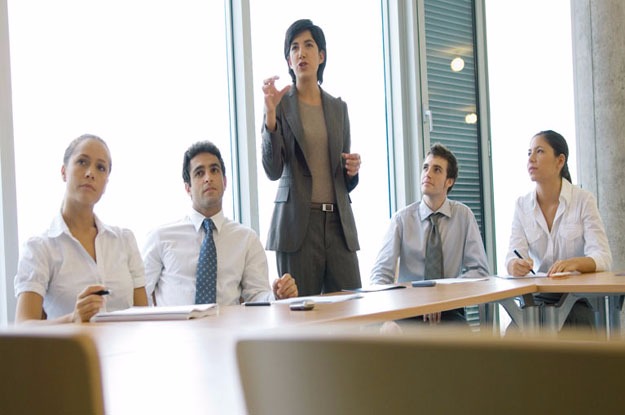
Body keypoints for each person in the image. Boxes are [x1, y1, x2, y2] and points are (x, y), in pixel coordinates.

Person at [261, 18, 362, 296]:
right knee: (299, 316)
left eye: (308, 45)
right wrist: (270, 117)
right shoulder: (279, 104)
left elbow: (344, 179)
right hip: (296, 227)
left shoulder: (338, 108)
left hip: (339, 226)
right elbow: (272, 169)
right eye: (294, 48)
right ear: (289, 60)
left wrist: (352, 170)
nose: (301, 53)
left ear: (321, 56)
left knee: (351, 311)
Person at [143, 141, 298, 306]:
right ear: (187, 188)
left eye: (214, 170)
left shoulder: (246, 239)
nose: (208, 178)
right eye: (199, 173)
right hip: (176, 329)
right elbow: (139, 293)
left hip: (230, 329)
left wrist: (277, 297)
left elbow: (257, 296)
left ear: (224, 182)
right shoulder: (160, 237)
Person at [14, 134, 148, 324]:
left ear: (106, 183)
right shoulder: (40, 247)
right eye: (82, 162)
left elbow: (146, 317)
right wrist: (73, 318)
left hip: (128, 351)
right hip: (70, 354)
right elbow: (23, 326)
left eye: (100, 168)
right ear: (63, 172)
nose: (90, 173)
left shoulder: (124, 240)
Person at [370, 143, 490, 324]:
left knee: (464, 340)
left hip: (449, 306)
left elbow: (480, 271)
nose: (428, 174)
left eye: (437, 170)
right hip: (408, 307)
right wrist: (387, 317)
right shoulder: (401, 219)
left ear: (449, 181)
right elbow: (380, 274)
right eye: (425, 168)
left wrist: (442, 293)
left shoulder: (463, 216)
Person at [505, 130, 612, 327]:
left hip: (576, 300)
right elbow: (512, 256)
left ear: (559, 161)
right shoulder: (522, 205)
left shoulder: (583, 200)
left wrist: (575, 263)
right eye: (529, 153)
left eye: (539, 152)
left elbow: (603, 257)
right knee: (514, 336)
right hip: (536, 301)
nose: (531, 159)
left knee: (573, 330)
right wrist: (515, 265)